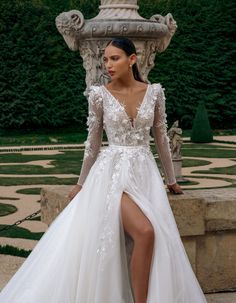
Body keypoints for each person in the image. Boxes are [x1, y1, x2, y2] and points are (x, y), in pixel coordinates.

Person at [0, 37, 207, 303]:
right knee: (145, 232)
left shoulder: (154, 92)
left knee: (153, 236)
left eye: (114, 58)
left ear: (132, 59)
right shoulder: (99, 95)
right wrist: (80, 183)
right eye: (105, 59)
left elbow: (161, 138)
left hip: (145, 174)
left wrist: (171, 180)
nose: (108, 65)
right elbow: (93, 143)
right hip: (110, 176)